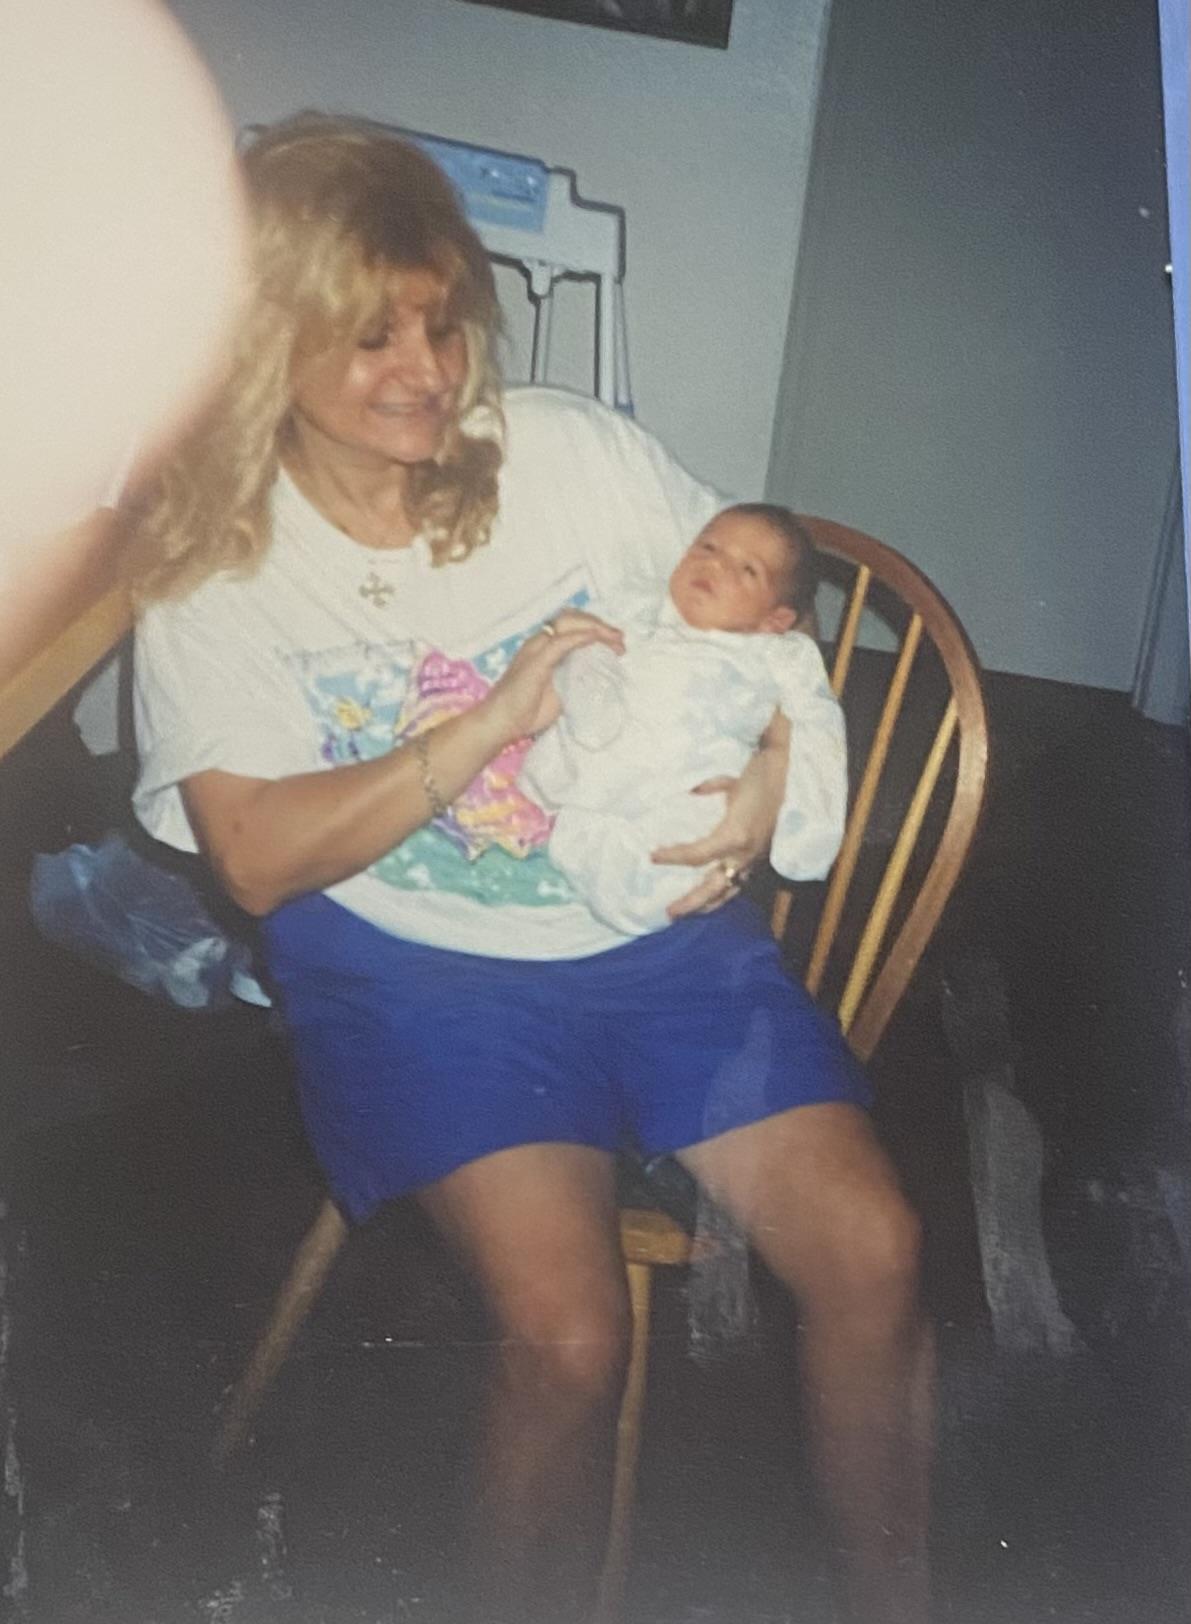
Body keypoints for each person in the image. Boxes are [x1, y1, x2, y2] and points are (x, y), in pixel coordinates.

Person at [129, 114, 933, 1624]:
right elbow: (251, 857)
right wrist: (491, 722)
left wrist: (765, 785)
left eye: (442, 322)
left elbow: (758, 621)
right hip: (410, 967)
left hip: (650, 935)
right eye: (370, 337)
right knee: (567, 1336)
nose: (425, 370)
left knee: (875, 1247)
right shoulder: (217, 566)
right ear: (264, 345)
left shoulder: (573, 455)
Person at [521, 502, 847, 935]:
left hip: (685, 784)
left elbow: (818, 726)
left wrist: (806, 835)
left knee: (701, 820)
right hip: (597, 760)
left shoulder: (780, 653)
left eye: (746, 570)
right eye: (707, 546)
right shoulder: (640, 603)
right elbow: (576, 631)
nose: (715, 564)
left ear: (776, 620)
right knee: (585, 649)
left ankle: (621, 888)